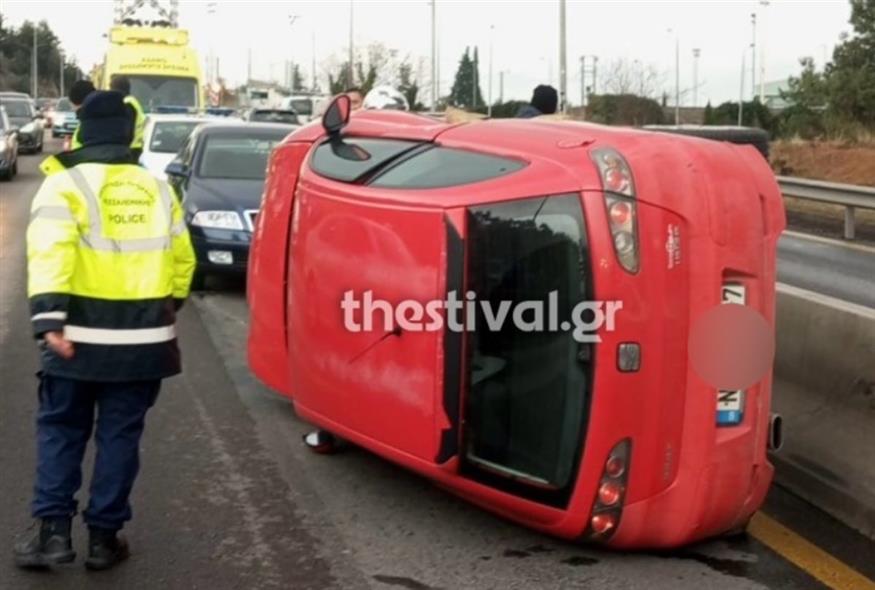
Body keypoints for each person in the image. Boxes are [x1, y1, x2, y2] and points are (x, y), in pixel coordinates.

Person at [14, 90, 196, 571]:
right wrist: (166, 304)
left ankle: (53, 535)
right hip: (144, 342)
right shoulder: (157, 188)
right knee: (120, 437)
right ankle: (103, 539)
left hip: (75, 337)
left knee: (61, 430)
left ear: (82, 132)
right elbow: (183, 259)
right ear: (127, 134)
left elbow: (51, 251)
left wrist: (49, 318)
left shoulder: (64, 185)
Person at [109, 75, 146, 161]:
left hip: (130, 149)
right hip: (134, 147)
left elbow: (127, 130)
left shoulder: (127, 104)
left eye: (111, 88)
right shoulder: (131, 101)